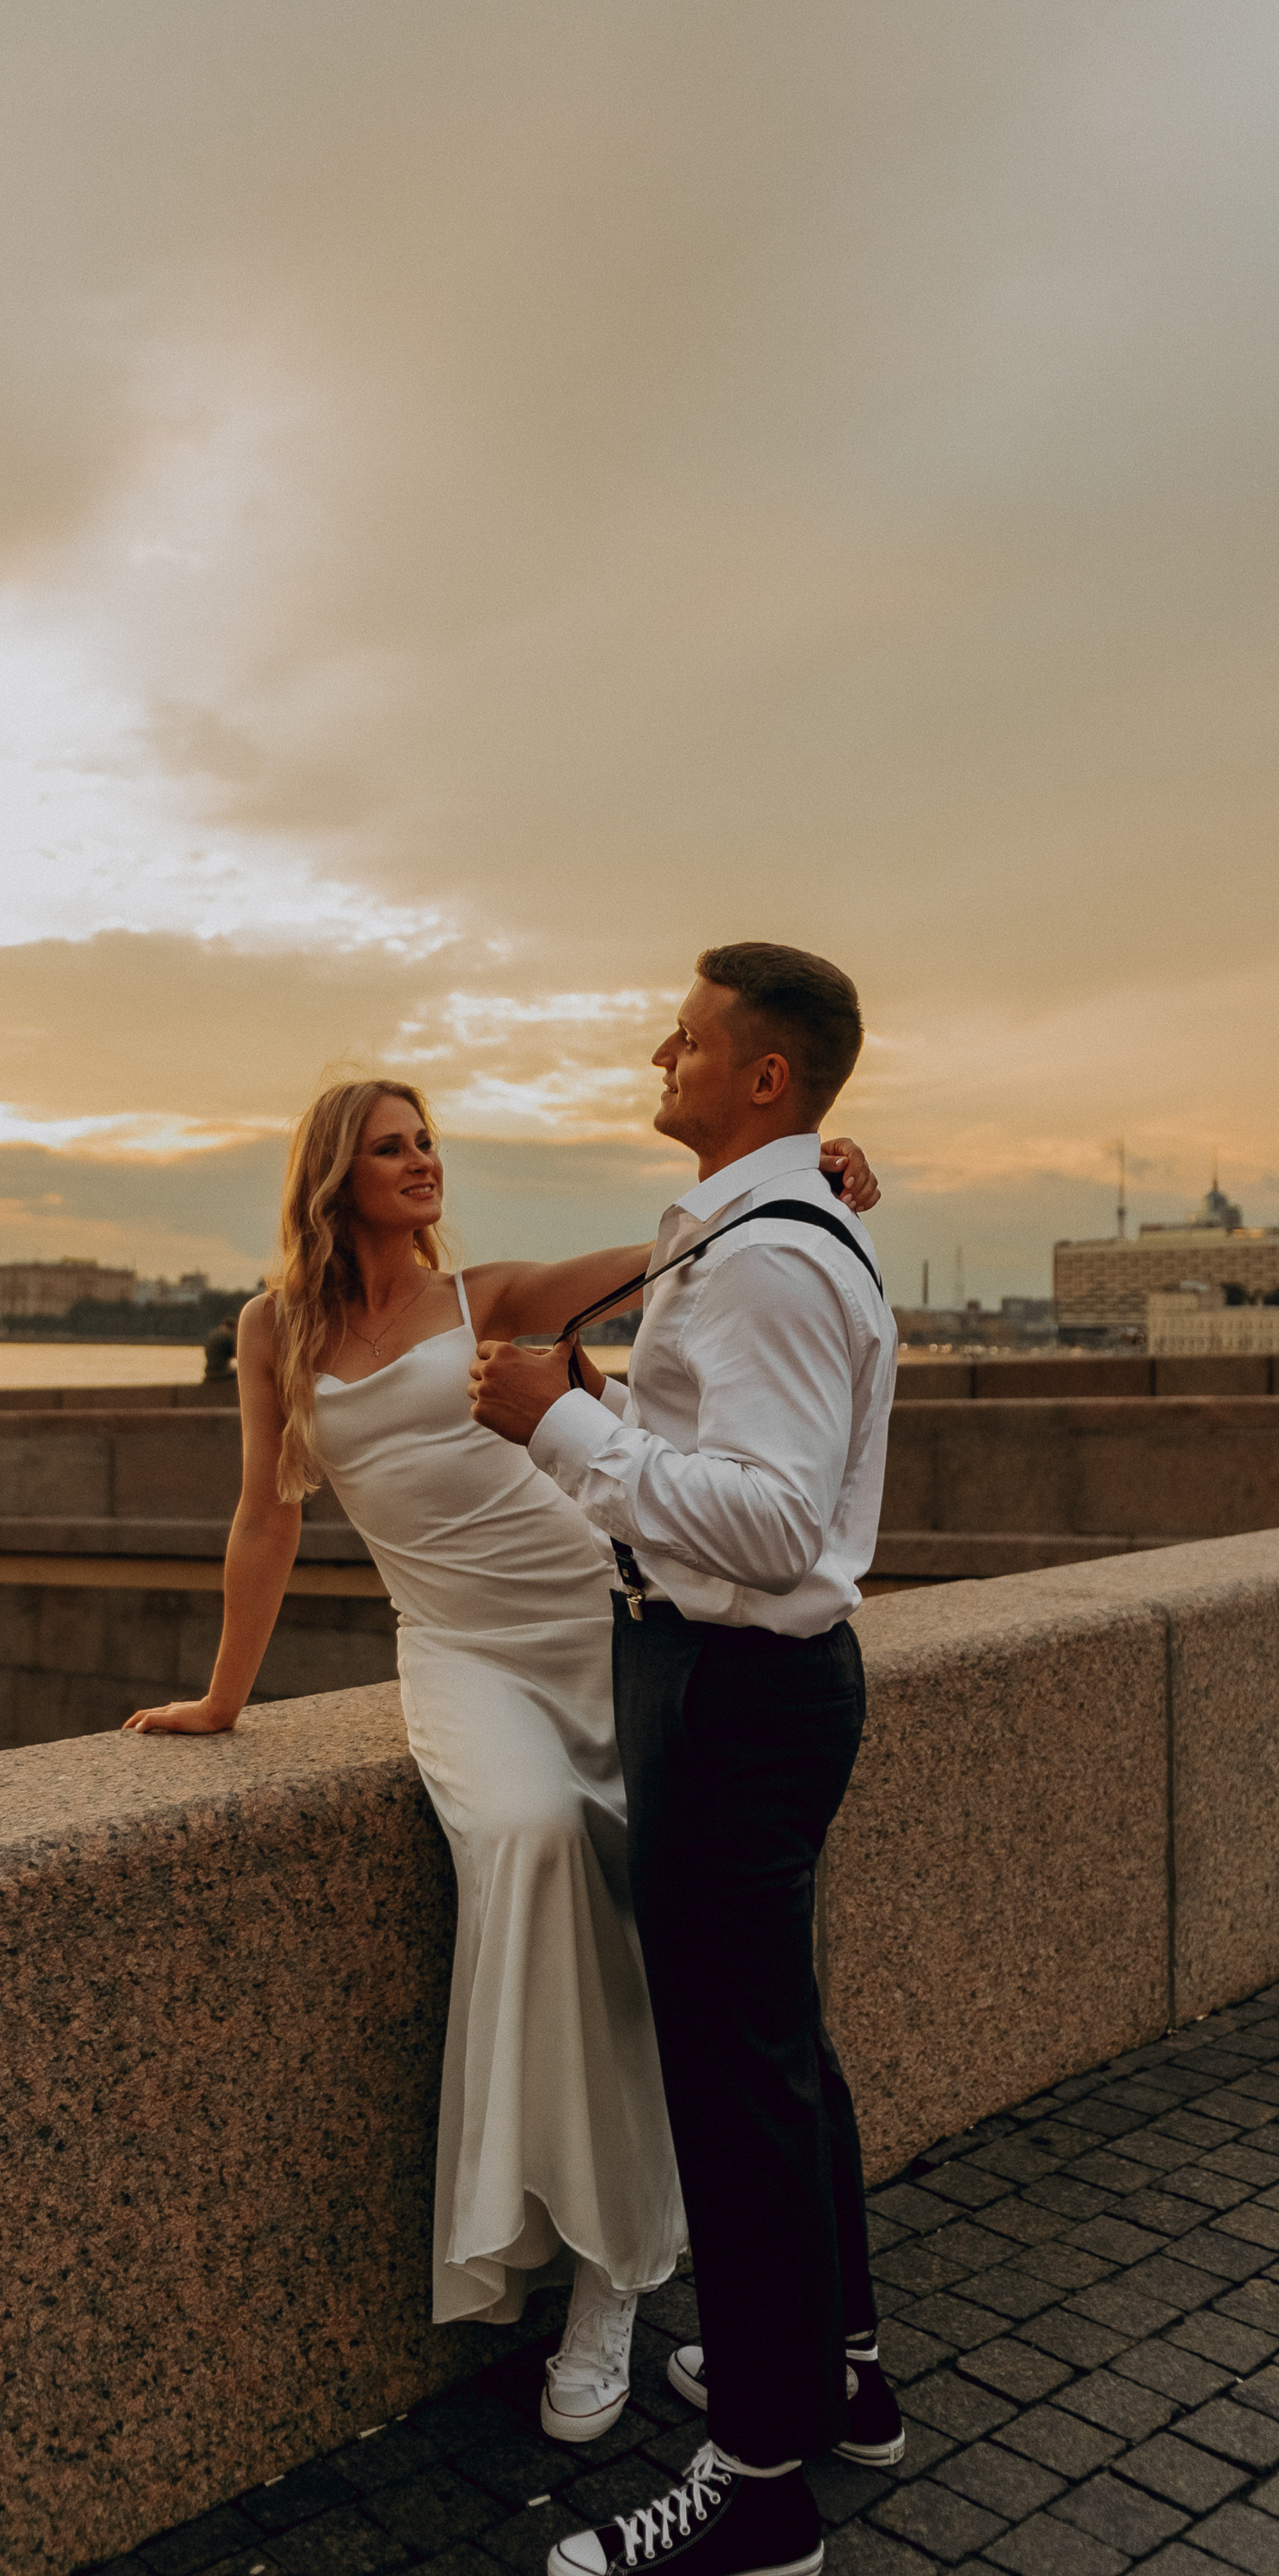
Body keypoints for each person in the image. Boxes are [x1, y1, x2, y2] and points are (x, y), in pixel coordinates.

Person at [127, 1073, 879, 2447]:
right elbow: (266, 1517)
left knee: (661, 1935)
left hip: (598, 1623)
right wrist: (222, 1702)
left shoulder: (498, 1294)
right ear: (333, 1178)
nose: (419, 1164)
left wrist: (800, 1172)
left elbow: (676, 1254)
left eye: (426, 1144)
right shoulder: (274, 1331)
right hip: (462, 1652)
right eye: (388, 1149)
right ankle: (602, 2246)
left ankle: (614, 2279)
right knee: (530, 1839)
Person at [470, 945, 901, 2576]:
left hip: (730, 1686)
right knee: (777, 2054)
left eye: (695, 1038)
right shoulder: (771, 1224)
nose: (664, 1049)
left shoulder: (778, 1262)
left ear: (766, 1079)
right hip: (749, 1686)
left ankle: (760, 2485)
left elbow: (779, 1522)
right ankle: (841, 2377)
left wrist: (560, 1424)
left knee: (735, 2087)